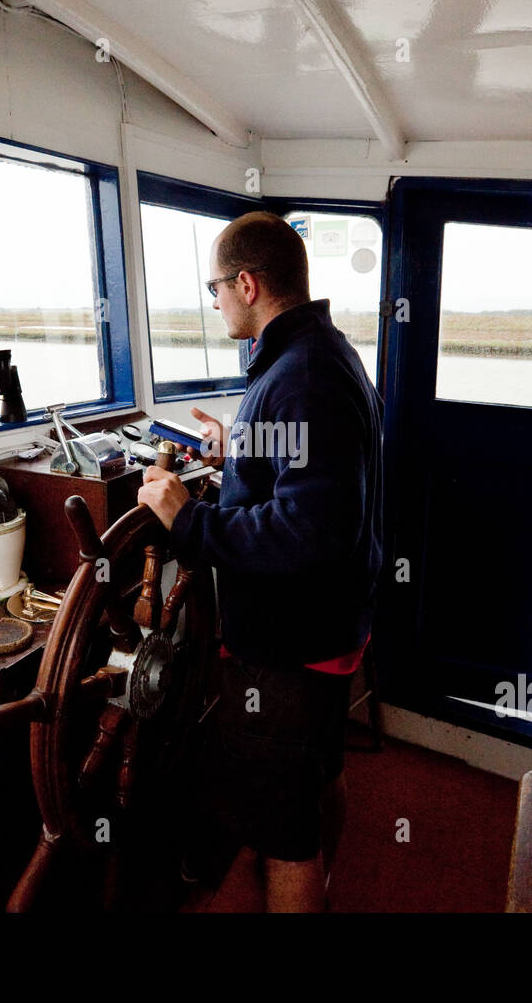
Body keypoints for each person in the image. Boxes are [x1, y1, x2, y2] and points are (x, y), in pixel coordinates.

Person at [136, 211, 383, 912]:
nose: (214, 301)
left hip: (291, 643)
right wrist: (236, 453)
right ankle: (325, 882)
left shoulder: (301, 375)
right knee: (317, 773)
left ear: (246, 282)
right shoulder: (318, 352)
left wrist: (188, 518)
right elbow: (309, 472)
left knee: (284, 831)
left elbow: (309, 529)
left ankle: (308, 881)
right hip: (328, 629)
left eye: (215, 287)